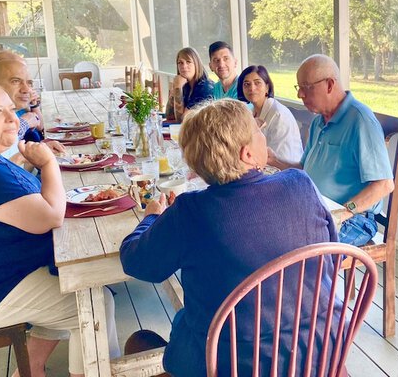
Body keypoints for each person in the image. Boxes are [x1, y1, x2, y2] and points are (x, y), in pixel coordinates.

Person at [120, 99, 338, 377]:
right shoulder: (300, 184)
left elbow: (136, 262)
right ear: (247, 154)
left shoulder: (190, 210)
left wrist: (152, 216)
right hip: (317, 354)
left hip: (233, 366)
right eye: (259, 133)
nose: (264, 137)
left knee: (139, 340)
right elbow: (332, 255)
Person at [0, 80, 121, 377]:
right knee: (93, 302)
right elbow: (49, 216)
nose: (13, 119)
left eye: (11, 110)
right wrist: (48, 165)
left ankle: (30, 369)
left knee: (69, 281)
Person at [268, 55, 394, 246]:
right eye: (298, 87)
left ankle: (313, 276)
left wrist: (345, 211)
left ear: (329, 85)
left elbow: (384, 185)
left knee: (295, 249)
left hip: (355, 218)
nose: (300, 94)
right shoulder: (319, 121)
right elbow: (304, 169)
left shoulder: (360, 120)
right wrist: (273, 160)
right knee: (267, 227)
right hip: (317, 208)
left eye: (306, 87)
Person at [237, 64, 303, 163]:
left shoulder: (278, 115)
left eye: (257, 83)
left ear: (267, 87)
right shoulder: (251, 111)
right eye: (247, 84)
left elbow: (280, 159)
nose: (252, 88)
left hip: (283, 171)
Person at [164, 47, 213, 122]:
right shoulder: (185, 85)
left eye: (188, 62)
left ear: (196, 64)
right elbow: (169, 116)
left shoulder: (205, 87)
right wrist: (174, 89)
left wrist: (178, 87)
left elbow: (182, 120)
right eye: (180, 63)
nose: (184, 66)